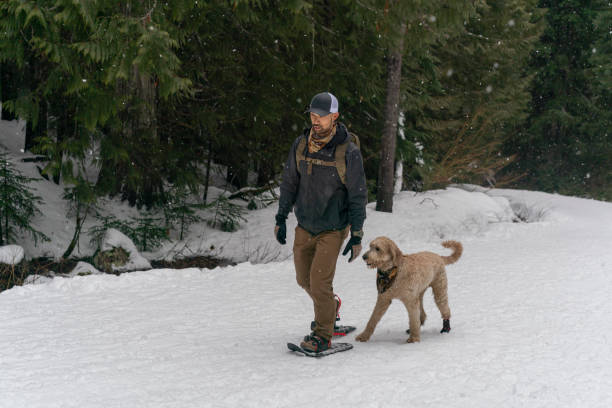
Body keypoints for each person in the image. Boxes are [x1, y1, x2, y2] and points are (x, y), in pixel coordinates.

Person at [274, 92, 367, 352]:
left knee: (319, 282)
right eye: (313, 115)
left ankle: (322, 335)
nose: (316, 121)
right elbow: (290, 182)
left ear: (334, 117)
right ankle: (331, 307)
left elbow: (358, 195)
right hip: (305, 224)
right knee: (304, 280)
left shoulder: (348, 151)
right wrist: (281, 217)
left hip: (333, 228)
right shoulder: (301, 145)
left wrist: (357, 233)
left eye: (322, 117)